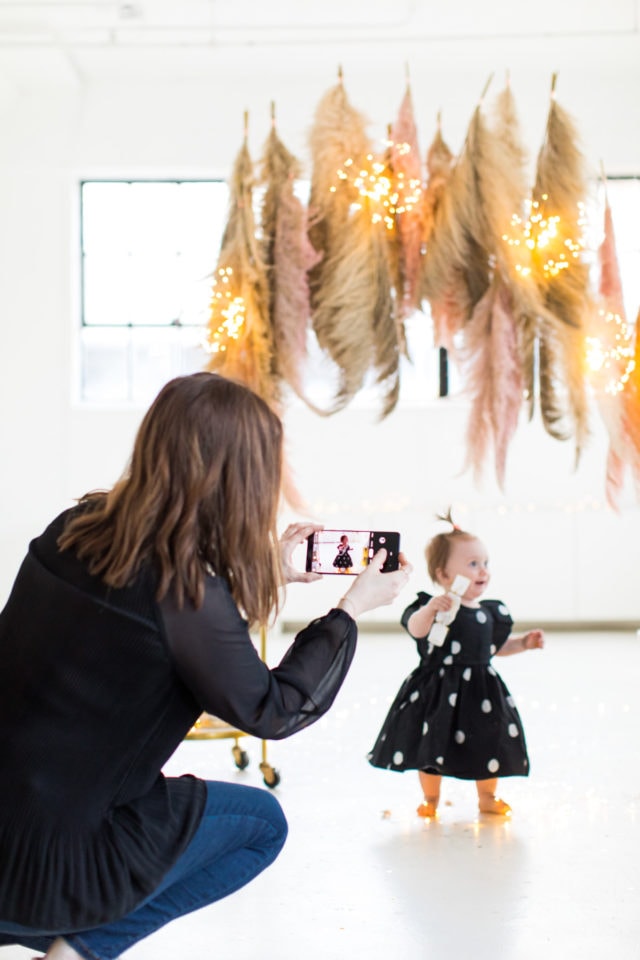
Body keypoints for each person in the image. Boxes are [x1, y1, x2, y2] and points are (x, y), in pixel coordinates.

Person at [0, 371, 412, 960]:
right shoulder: (187, 592)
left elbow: (147, 613)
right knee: (262, 825)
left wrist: (267, 567)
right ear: (238, 477)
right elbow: (275, 710)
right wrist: (350, 608)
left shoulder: (73, 528)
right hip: (61, 867)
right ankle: (80, 949)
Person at [367, 509, 543, 819]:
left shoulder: (489, 611)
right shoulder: (432, 606)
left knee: (488, 740)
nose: (483, 571)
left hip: (481, 693)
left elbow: (495, 648)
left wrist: (523, 644)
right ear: (444, 574)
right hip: (438, 690)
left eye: (485, 563)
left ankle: (487, 796)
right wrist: (433, 609)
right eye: (473, 564)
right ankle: (430, 798)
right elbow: (416, 629)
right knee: (431, 742)